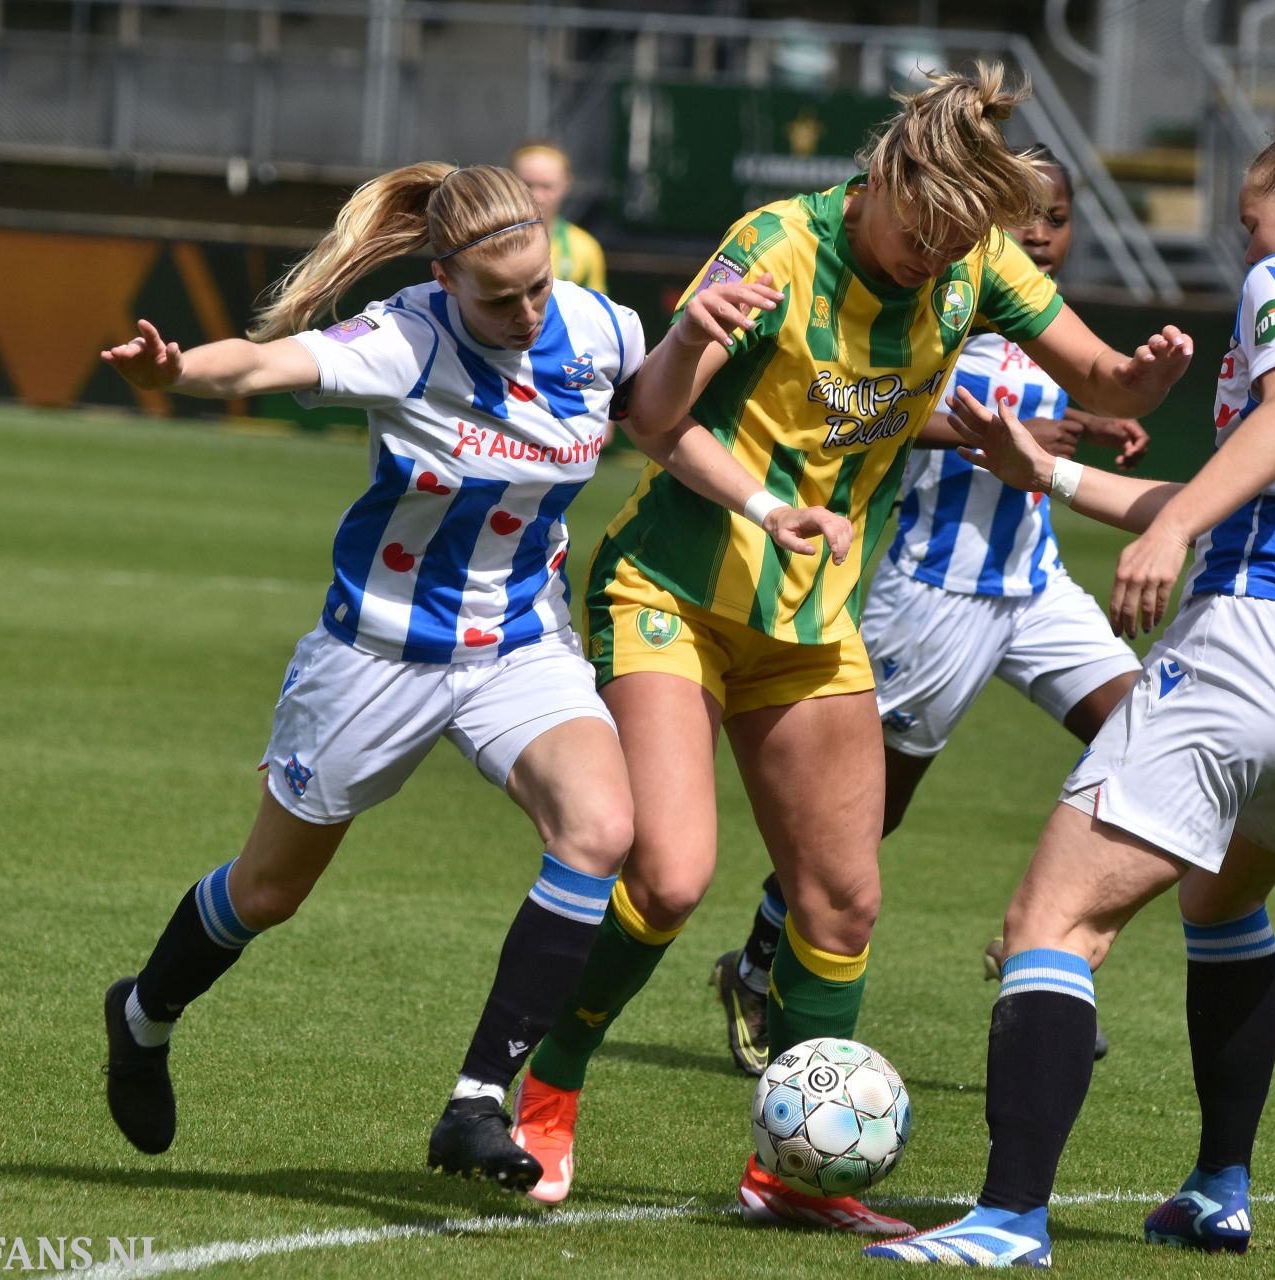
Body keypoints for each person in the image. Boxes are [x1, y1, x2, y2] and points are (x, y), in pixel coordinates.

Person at [504, 63, 1194, 1233]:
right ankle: (551, 1080)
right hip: (674, 586)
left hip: (812, 613)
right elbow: (655, 417)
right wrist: (687, 340)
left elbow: (1096, 370)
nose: (932, 259)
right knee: (670, 873)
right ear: (878, 179)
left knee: (840, 904)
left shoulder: (976, 249)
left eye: (953, 244)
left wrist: (1147, 376)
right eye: (918, 233)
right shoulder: (772, 245)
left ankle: (797, 1175)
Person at [93, 161, 787, 1194]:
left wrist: (768, 505)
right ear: (444, 273)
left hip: (517, 643)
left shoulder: (598, 326)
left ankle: (476, 1103)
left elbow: (657, 422)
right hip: (376, 652)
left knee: (601, 830)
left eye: (536, 287)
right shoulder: (403, 338)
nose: (523, 311)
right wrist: (174, 371)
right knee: (270, 889)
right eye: (497, 296)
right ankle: (143, 1013)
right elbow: (254, 367)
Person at [867, 101, 1275, 1266]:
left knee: (1052, 921)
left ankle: (1008, 1216)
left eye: (1256, 222)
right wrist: (1053, 472)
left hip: (1255, 653)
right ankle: (1219, 1186)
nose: (1250, 247)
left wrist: (1173, 523)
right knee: (1221, 903)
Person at [707, 156, 1150, 1077]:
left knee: (1156, 736)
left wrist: (1089, 426)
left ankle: (1049, 950)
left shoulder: (1041, 321)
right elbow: (878, 408)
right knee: (867, 819)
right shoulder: (941, 300)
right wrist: (1009, 437)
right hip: (935, 595)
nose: (1038, 234)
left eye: (1055, 218)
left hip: (1033, 583)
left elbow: (1056, 399)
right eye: (1020, 218)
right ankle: (756, 965)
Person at [511, 142, 608, 293]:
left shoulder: (584, 248)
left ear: (566, 184)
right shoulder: (487, 242)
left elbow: (595, 311)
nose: (537, 196)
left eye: (547, 186)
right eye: (526, 184)